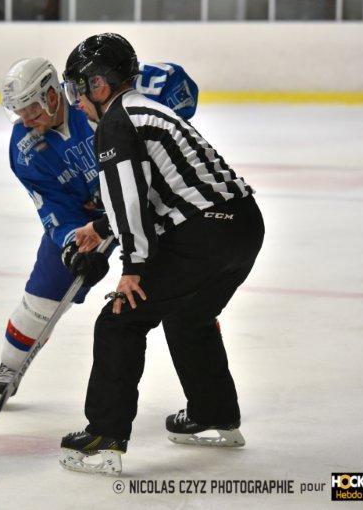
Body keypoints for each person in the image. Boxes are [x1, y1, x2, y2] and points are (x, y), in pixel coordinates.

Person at [58, 33, 264, 476]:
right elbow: (157, 192)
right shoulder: (148, 110)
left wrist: (131, 269)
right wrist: (99, 228)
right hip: (244, 228)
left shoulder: (115, 122)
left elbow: (129, 197)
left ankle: (104, 436)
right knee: (189, 316)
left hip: (203, 235)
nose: (75, 101)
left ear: (100, 86)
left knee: (119, 319)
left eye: (78, 88)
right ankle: (214, 414)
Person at [0, 57, 199, 396]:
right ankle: (10, 365)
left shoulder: (91, 97)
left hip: (148, 204)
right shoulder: (24, 149)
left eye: (30, 107)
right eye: (18, 111)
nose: (26, 119)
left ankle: (204, 389)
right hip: (90, 220)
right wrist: (75, 245)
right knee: (42, 297)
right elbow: (53, 207)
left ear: (52, 94)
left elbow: (172, 82)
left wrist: (175, 108)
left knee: (183, 292)